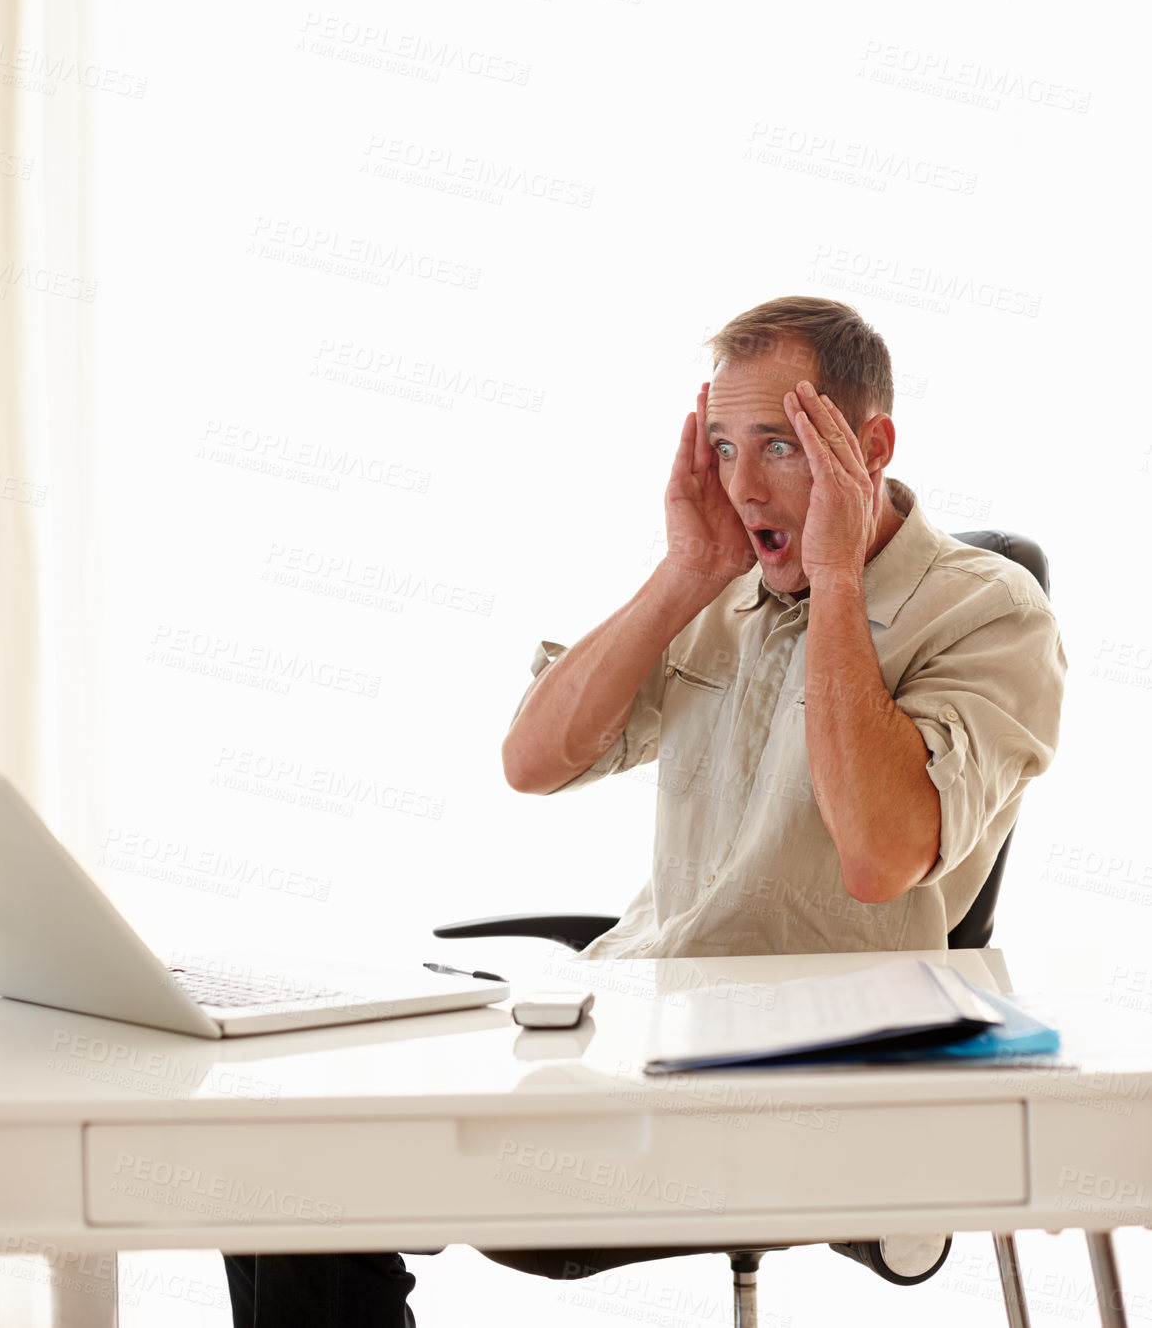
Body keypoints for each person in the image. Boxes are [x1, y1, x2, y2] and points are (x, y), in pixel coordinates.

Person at [224, 295, 1066, 1325]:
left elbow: (878, 858)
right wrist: (683, 574)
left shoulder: (986, 611)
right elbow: (531, 760)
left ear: (871, 444)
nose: (743, 485)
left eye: (778, 446)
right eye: (720, 445)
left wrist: (838, 579)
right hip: (625, 1031)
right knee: (265, 1148)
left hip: (798, 1090)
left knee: (316, 1170)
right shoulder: (724, 589)